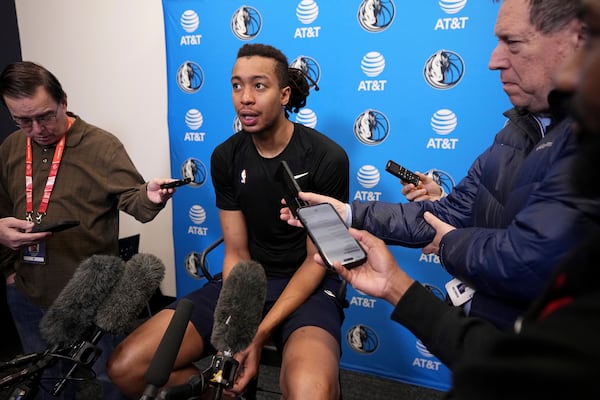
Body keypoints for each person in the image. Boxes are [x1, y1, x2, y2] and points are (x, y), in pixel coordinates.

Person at [314, 3, 600, 392]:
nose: (494, 61)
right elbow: (444, 213)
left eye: (512, 43)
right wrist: (348, 212)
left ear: (577, 40)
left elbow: (525, 259)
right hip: (488, 355)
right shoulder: (515, 131)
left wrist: (447, 241)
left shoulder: (584, 142)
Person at [107, 43, 350, 399]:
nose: (245, 98)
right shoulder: (226, 156)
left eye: (259, 86)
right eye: (236, 85)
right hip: (244, 281)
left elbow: (317, 262)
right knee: (127, 366)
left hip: (308, 286)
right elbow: (236, 250)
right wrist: (233, 327)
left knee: (309, 392)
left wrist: (258, 331)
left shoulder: (327, 157)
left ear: (284, 94)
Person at [0, 61, 176, 399]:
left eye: (45, 116)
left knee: (106, 383)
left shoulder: (101, 146)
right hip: (28, 293)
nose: (37, 129)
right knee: (44, 383)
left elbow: (134, 202)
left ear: (63, 101)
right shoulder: (10, 148)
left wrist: (151, 197)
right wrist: (9, 271)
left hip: (91, 297)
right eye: (23, 121)